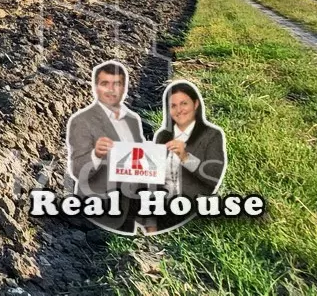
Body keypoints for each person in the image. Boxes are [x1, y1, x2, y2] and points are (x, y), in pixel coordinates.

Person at [66, 60, 146, 234]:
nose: (111, 90)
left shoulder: (133, 120)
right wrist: (95, 154)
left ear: (125, 88)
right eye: (104, 84)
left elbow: (138, 164)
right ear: (95, 88)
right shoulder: (82, 121)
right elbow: (77, 170)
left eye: (116, 84)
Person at [145, 81, 227, 233]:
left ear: (195, 104)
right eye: (173, 106)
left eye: (184, 103)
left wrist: (185, 157)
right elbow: (154, 181)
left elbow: (214, 175)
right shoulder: (163, 136)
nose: (179, 110)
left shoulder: (211, 135)